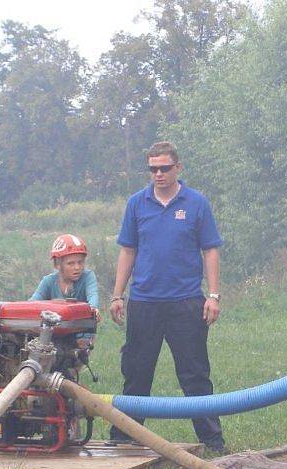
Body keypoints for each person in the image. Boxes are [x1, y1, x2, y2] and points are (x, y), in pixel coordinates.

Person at [108, 141, 226, 452]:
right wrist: (117, 295)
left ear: (178, 168)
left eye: (164, 168)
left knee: (195, 374)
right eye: (152, 169)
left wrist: (212, 295)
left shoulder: (196, 203)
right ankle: (123, 440)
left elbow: (210, 250)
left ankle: (212, 441)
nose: (158, 174)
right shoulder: (137, 204)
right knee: (136, 373)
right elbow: (128, 250)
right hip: (144, 301)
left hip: (186, 301)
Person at [31, 233, 101, 343]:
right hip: (53, 331)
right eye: (70, 263)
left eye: (80, 262)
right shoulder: (48, 281)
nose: (77, 267)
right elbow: (32, 303)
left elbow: (93, 294)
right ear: (58, 265)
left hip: (81, 329)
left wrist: (93, 308)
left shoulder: (88, 276)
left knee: (80, 353)